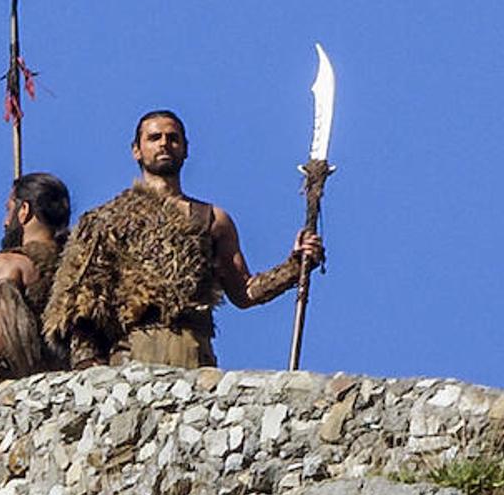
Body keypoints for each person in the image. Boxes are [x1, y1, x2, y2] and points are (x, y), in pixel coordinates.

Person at [43, 110, 324, 369]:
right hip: (132, 351)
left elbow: (244, 292)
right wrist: (89, 368)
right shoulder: (106, 219)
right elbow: (80, 304)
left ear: (185, 149)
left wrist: (294, 266)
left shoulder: (213, 219)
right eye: (154, 138)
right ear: (137, 151)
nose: (164, 143)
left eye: (172, 138)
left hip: (193, 351)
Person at [0, 172, 72, 397]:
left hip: (20, 384)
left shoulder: (10, 264)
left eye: (9, 209)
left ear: (24, 211)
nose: (5, 221)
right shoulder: (75, 268)